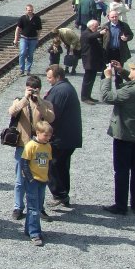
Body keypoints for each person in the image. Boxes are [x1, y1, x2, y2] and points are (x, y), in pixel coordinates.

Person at [8, 76, 55, 222]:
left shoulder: (45, 103)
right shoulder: (19, 101)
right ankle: (18, 207)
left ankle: (39, 207)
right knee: (20, 179)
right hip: (23, 145)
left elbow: (51, 118)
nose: (32, 92)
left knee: (41, 178)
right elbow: (12, 112)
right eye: (29, 88)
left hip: (40, 147)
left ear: (40, 90)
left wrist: (39, 101)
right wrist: (25, 98)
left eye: (35, 89)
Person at [100, 61, 135, 215]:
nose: (129, 71)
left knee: (122, 171)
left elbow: (107, 96)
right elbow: (133, 81)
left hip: (125, 136)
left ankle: (121, 205)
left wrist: (107, 78)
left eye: (133, 69)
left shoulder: (131, 92)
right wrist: (121, 71)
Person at [44, 65, 82, 209]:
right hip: (70, 137)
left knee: (51, 165)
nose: (48, 80)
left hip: (61, 138)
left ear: (57, 76)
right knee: (62, 166)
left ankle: (59, 194)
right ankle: (64, 193)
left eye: (49, 77)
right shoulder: (66, 87)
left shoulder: (60, 90)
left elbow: (53, 115)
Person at [21, 122, 54, 246]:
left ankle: (29, 229)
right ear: (38, 133)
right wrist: (30, 179)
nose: (48, 138)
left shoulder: (48, 146)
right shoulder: (31, 145)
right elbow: (24, 163)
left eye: (50, 135)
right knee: (33, 208)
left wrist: (48, 177)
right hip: (33, 181)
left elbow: (48, 163)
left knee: (38, 206)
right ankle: (35, 233)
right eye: (45, 135)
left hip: (42, 180)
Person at [103, 10, 134, 87]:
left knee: (119, 73)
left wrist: (126, 38)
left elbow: (131, 35)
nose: (114, 18)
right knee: (106, 72)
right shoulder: (105, 26)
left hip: (119, 52)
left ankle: (119, 91)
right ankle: (106, 90)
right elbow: (100, 39)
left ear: (118, 16)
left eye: (116, 16)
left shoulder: (124, 25)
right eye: (112, 17)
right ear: (109, 18)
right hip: (108, 52)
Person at [80, 20, 107, 104]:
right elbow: (90, 37)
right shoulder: (86, 33)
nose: (97, 28)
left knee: (91, 79)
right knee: (87, 80)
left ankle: (88, 96)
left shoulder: (90, 33)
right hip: (89, 61)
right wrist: (100, 33)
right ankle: (84, 97)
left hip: (93, 61)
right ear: (91, 26)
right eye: (96, 26)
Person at [14, 4, 42, 76]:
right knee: (22, 53)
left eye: (31, 10)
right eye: (29, 10)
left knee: (30, 54)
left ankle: (28, 70)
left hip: (33, 39)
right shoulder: (22, 18)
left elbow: (39, 29)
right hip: (24, 38)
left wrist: (37, 38)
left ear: (33, 10)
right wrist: (16, 39)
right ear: (26, 10)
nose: (30, 11)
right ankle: (21, 70)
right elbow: (18, 29)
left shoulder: (37, 18)